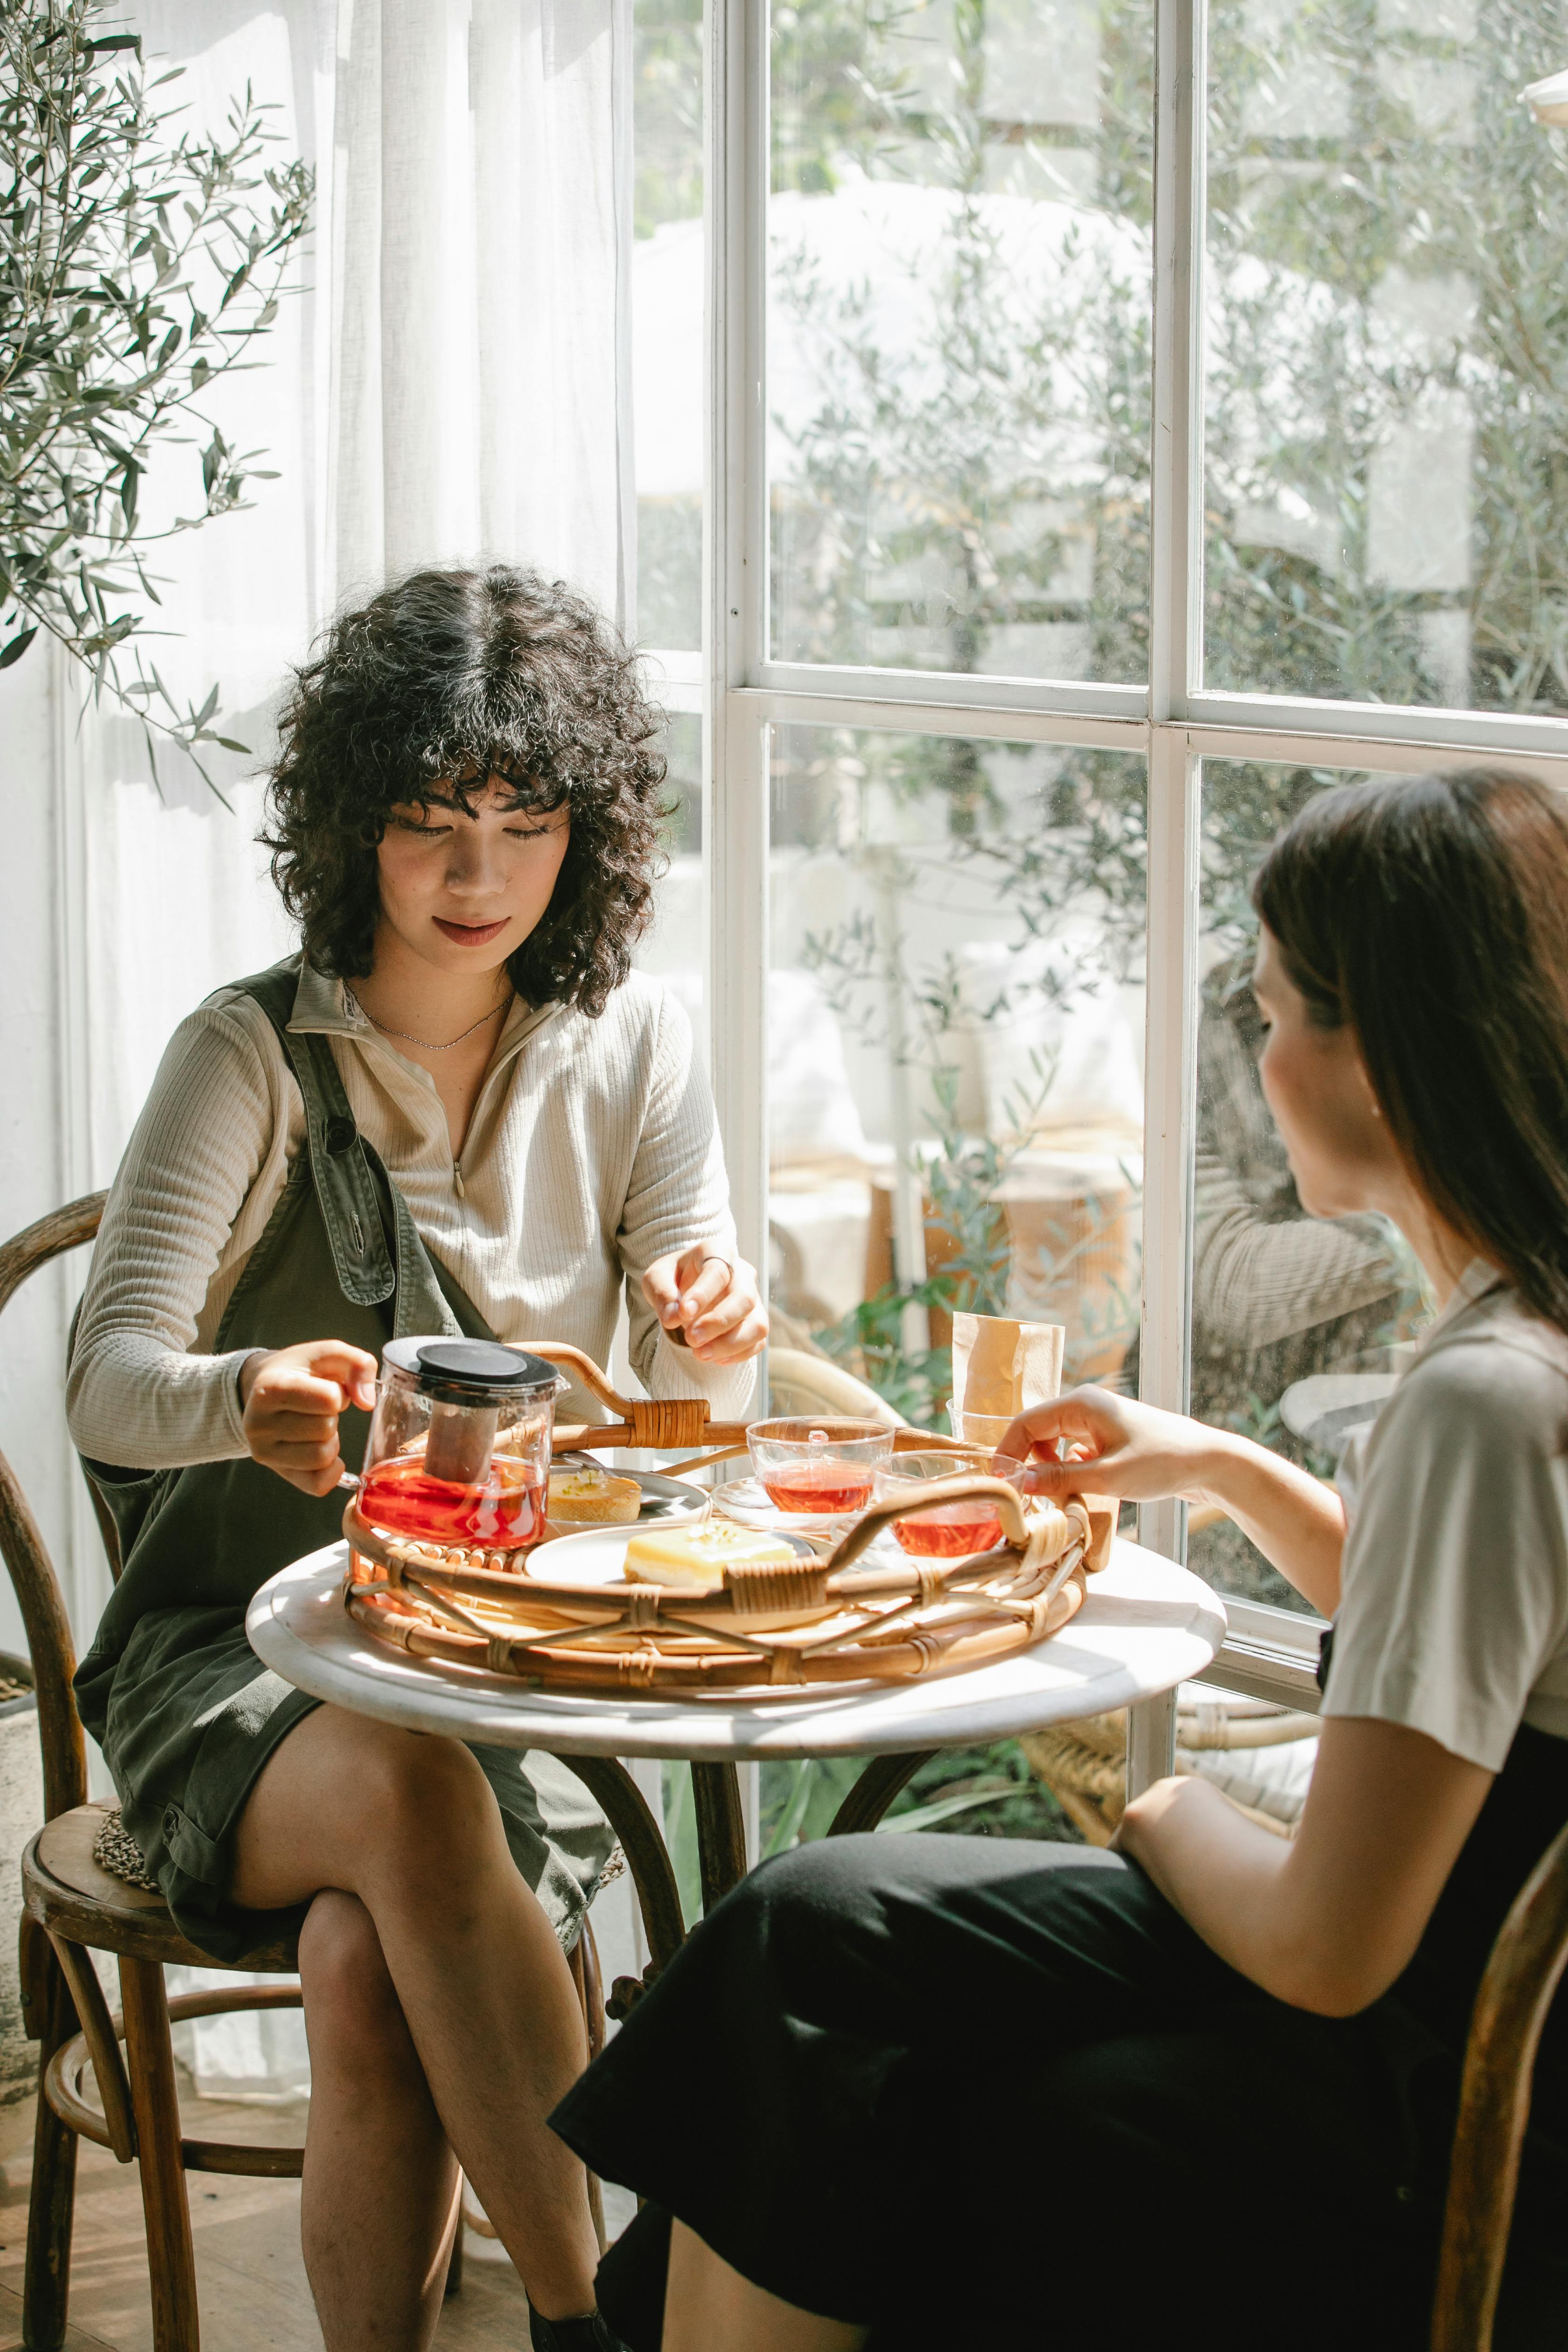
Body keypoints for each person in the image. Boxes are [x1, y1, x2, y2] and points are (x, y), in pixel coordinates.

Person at [551, 766, 1568, 2352]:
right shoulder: (1534, 1335)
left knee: (807, 1987)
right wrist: (1225, 1467)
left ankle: (610, 2323)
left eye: (1273, 1013)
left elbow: (1324, 1945)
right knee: (804, 1952)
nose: (1260, 1058)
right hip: (1472, 2033)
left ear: (1383, 1056)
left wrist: (1161, 1810)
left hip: (1434, 2111)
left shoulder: (1482, 1400)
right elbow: (1475, 1648)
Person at [67, 564, 767, 2352]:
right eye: (429, 825)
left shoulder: (635, 1049)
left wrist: (707, 1320)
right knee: (405, 1787)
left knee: (366, 1968)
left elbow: (706, 1427)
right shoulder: (253, 1056)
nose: (478, 882)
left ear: (584, 837)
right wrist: (245, 1397)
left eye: (527, 827)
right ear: (349, 828)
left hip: (505, 1652)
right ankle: (590, 2317)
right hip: (241, 1648)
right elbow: (106, 1379)